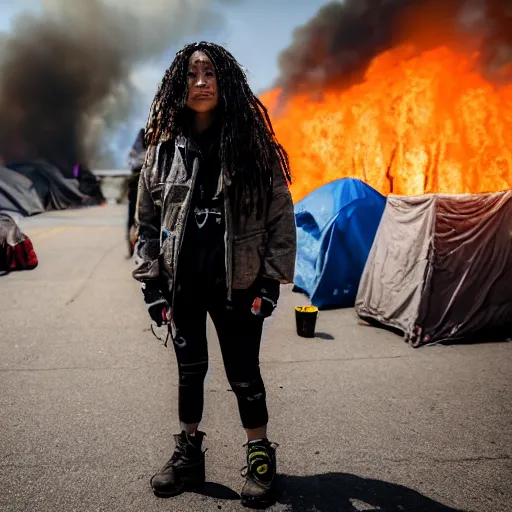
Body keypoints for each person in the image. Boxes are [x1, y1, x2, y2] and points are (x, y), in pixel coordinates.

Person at [132, 41, 296, 508]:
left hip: (240, 286)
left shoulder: (253, 148)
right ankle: (189, 456)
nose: (200, 81)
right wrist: (151, 285)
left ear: (226, 83)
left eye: (209, 73)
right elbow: (145, 223)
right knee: (190, 373)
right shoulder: (162, 153)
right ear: (177, 86)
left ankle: (260, 457)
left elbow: (281, 219)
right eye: (191, 74)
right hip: (183, 286)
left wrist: (269, 281)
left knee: (245, 375)